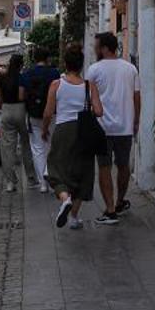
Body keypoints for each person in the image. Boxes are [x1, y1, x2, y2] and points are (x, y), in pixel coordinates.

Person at [40, 45, 102, 230]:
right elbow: (99, 111)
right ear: (82, 65)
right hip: (84, 131)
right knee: (83, 172)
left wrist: (44, 130)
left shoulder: (56, 85)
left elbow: (48, 113)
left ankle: (64, 198)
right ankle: (74, 217)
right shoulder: (90, 86)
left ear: (65, 64)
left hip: (63, 130)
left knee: (55, 168)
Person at [84, 31, 141, 225]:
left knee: (104, 167)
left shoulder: (94, 70)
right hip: (125, 125)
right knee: (123, 165)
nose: (94, 48)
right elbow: (137, 98)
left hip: (102, 127)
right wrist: (136, 121)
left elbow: (88, 99)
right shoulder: (131, 69)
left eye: (97, 45)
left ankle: (109, 210)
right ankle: (119, 201)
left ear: (105, 48)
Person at [21, 45, 60, 192]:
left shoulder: (28, 73)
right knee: (50, 145)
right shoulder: (54, 73)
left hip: (34, 114)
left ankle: (42, 183)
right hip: (51, 113)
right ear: (48, 58)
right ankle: (48, 173)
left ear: (34, 58)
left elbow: (23, 94)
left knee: (37, 148)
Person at [0, 53, 34, 192]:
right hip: (20, 110)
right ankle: (31, 177)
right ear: (21, 65)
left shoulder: (1, 78)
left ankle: (10, 182)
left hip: (6, 110)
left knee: (7, 148)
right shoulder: (22, 77)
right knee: (26, 145)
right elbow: (21, 96)